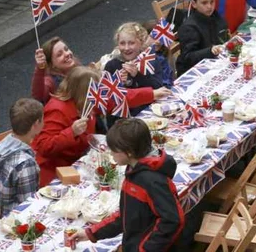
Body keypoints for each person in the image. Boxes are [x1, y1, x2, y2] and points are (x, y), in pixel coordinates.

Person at [32, 66, 170, 186]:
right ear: (84, 91)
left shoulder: (88, 101)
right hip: (58, 171)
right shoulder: (57, 110)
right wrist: (71, 132)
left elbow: (116, 99)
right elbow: (43, 147)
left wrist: (151, 94)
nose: (101, 94)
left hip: (84, 162)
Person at [69, 118, 185, 251]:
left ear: (129, 152)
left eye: (114, 150)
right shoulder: (134, 170)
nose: (111, 153)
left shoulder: (152, 181)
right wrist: (91, 233)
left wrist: (145, 249)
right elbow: (126, 214)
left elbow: (173, 221)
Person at [104, 22, 173, 115]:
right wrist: (119, 83)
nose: (126, 48)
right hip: (127, 118)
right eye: (122, 43)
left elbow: (159, 88)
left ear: (141, 43)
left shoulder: (150, 60)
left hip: (153, 110)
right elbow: (108, 101)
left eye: (131, 43)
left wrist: (138, 75)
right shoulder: (111, 66)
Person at [0, 98, 44, 216]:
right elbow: (28, 206)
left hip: (4, 211)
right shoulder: (25, 163)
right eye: (43, 119)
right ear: (36, 124)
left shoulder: (5, 146)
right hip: (16, 220)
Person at [176, 0, 227, 75]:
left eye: (212, 2)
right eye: (204, 3)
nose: (209, 6)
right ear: (194, 4)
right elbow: (188, 57)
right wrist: (210, 51)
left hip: (215, 64)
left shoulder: (215, 15)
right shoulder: (189, 27)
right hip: (194, 72)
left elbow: (223, 34)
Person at [31, 37, 80, 104]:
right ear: (51, 64)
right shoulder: (51, 81)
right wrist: (40, 68)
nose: (67, 54)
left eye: (66, 49)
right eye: (59, 54)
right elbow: (38, 96)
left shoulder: (76, 67)